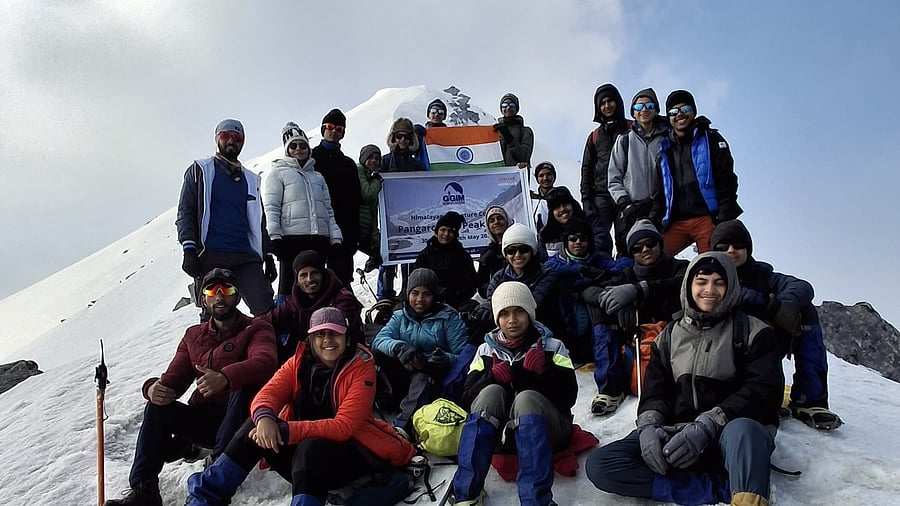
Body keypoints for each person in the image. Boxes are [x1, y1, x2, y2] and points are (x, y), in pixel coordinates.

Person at [585, 253, 784, 506]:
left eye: (719, 282)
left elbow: (763, 392)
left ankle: (746, 495)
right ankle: (716, 489)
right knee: (602, 464)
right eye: (701, 281)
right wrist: (648, 428)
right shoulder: (669, 336)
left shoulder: (754, 331)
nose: (709, 290)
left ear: (731, 286)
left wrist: (708, 424)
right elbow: (655, 393)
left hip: (728, 435)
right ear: (689, 285)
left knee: (743, 430)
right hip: (679, 435)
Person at [185, 307, 415, 506]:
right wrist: (265, 418)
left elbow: (344, 426)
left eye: (335, 333)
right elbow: (269, 393)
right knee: (254, 428)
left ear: (346, 338)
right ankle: (206, 497)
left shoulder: (361, 366)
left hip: (351, 456)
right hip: (304, 462)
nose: (327, 340)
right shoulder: (299, 361)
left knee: (310, 447)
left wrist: (285, 431)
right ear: (311, 339)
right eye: (320, 334)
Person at [105, 269, 277, 506]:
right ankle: (144, 491)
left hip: (240, 422)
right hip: (205, 419)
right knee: (158, 407)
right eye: (211, 291)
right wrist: (152, 388)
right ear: (203, 298)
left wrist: (225, 378)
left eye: (226, 290)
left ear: (237, 297)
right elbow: (174, 379)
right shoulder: (193, 336)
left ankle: (217, 473)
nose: (219, 297)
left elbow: (265, 362)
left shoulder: (256, 328)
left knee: (245, 387)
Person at [451, 282, 577, 506]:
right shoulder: (485, 351)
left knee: (526, 398)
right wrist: (490, 377)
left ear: (530, 313)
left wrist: (542, 374)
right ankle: (467, 493)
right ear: (496, 318)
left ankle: (536, 500)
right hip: (502, 437)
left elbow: (569, 398)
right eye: (505, 313)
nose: (512, 320)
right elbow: (467, 399)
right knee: (490, 392)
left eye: (519, 311)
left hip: (549, 432)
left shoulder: (552, 347)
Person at [710, 219, 842, 430]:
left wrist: (776, 305)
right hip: (720, 353)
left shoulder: (764, 276)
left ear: (749, 248)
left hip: (763, 347)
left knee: (805, 312)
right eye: (723, 247)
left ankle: (810, 399)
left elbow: (802, 287)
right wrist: (757, 300)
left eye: (738, 245)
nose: (731, 251)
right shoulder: (706, 276)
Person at [580, 220, 688, 414]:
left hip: (675, 337)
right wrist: (617, 302)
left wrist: (640, 290)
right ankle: (611, 388)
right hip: (638, 342)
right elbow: (588, 292)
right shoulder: (627, 274)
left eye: (650, 244)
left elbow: (682, 283)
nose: (645, 250)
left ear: (660, 244)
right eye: (637, 248)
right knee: (600, 311)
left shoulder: (680, 267)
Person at [176, 119, 276, 318]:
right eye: (226, 135)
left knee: (266, 311)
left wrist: (267, 256)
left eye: (237, 137)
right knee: (215, 317)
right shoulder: (200, 171)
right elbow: (185, 211)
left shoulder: (250, 179)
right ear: (217, 138)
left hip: (245, 256)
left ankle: (270, 348)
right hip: (211, 256)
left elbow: (258, 222)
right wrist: (188, 249)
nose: (232, 140)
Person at [371, 268, 469, 433]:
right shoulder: (399, 317)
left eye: (427, 294)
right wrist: (399, 347)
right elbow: (379, 341)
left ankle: (402, 427)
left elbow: (464, 355)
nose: (419, 299)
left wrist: (446, 359)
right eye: (415, 293)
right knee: (373, 359)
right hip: (404, 372)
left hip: (433, 376)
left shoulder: (448, 318)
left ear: (435, 296)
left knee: (423, 376)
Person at [654, 90, 742, 256]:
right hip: (675, 222)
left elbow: (727, 179)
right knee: (655, 256)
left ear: (693, 111)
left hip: (707, 218)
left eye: (684, 109)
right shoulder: (664, 150)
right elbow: (661, 190)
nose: (679, 115)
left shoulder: (712, 139)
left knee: (713, 263)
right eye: (673, 112)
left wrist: (722, 217)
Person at [263, 122, 342, 305]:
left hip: (318, 240)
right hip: (292, 240)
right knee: (288, 288)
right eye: (293, 145)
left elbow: (328, 210)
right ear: (287, 149)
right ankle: (284, 331)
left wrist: (335, 238)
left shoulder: (317, 177)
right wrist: (274, 236)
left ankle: (318, 328)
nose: (299, 149)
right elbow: (271, 207)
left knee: (317, 288)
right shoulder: (278, 173)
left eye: (303, 145)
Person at [543, 217, 631, 365]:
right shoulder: (558, 261)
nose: (578, 242)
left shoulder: (597, 260)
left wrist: (608, 273)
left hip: (591, 322)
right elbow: (548, 267)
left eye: (583, 238)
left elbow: (627, 263)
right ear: (566, 242)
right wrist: (581, 269)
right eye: (573, 238)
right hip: (566, 323)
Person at [265, 250, 363, 365]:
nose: (309, 279)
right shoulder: (293, 302)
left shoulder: (342, 299)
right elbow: (270, 320)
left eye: (314, 273)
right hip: (303, 359)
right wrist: (251, 329)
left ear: (323, 274)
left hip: (340, 359)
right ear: (297, 280)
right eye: (303, 275)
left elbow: (344, 333)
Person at [474, 223, 566, 341]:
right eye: (511, 250)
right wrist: (484, 309)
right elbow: (492, 302)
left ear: (532, 251)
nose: (517, 255)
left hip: (544, 332)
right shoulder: (498, 277)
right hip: (508, 332)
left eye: (523, 249)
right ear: (505, 254)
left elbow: (531, 305)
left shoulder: (547, 275)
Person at [607, 88, 671, 256]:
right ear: (633, 113)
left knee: (658, 254)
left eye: (649, 105)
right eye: (639, 107)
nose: (644, 110)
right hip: (631, 208)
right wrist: (625, 203)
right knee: (632, 253)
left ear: (656, 110)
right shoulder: (624, 140)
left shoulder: (667, 138)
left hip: (659, 208)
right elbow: (614, 178)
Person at [378, 118, 427, 300]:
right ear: (393, 137)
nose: (402, 141)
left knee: (411, 257)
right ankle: (385, 297)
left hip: (412, 218)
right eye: (399, 136)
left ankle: (407, 293)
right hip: (390, 218)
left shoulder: (418, 164)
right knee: (388, 259)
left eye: (407, 137)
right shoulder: (384, 162)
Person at [311, 108, 361, 286]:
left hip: (342, 233)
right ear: (323, 129)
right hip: (314, 230)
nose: (334, 130)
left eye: (339, 128)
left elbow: (355, 202)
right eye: (330, 126)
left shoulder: (348, 164)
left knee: (341, 284)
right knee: (312, 283)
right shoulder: (310, 159)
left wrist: (353, 237)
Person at [580, 83, 630, 228]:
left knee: (627, 240)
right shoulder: (594, 136)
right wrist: (586, 201)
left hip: (627, 194)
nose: (607, 106)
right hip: (601, 196)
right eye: (602, 103)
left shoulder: (632, 128)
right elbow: (586, 170)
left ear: (618, 102)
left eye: (610, 101)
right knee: (599, 241)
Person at [413, 210, 478, 309]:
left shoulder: (463, 256)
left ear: (455, 234)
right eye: (443, 230)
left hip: (456, 307)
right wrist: (437, 292)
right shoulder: (425, 255)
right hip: (428, 306)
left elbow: (471, 284)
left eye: (450, 231)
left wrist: (456, 296)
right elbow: (416, 280)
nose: (446, 234)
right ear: (436, 232)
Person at [539, 186, 613, 258]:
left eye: (565, 204)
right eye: (556, 207)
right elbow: (544, 261)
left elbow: (602, 244)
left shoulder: (590, 219)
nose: (562, 209)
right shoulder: (545, 234)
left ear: (573, 204)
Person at [357, 144, 384, 273]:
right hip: (355, 230)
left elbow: (373, 216)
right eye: (370, 157)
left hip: (365, 230)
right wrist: (377, 181)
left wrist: (376, 243)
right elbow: (367, 193)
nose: (374, 161)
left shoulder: (369, 176)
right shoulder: (359, 171)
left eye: (377, 158)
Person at [476, 205, 511, 299]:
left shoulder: (519, 245)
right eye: (492, 220)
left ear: (507, 221)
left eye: (500, 218)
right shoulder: (487, 254)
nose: (496, 222)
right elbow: (482, 287)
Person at [494, 93, 534, 170]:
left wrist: (508, 137)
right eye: (504, 105)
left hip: (516, 178)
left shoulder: (525, 131)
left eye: (511, 105)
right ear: (501, 110)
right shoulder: (495, 131)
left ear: (517, 109)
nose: (508, 108)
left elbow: (524, 156)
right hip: (497, 178)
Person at [530, 161, 557, 234]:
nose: (545, 178)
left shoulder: (560, 196)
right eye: (541, 175)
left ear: (554, 176)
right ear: (537, 179)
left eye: (548, 174)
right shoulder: (531, 198)